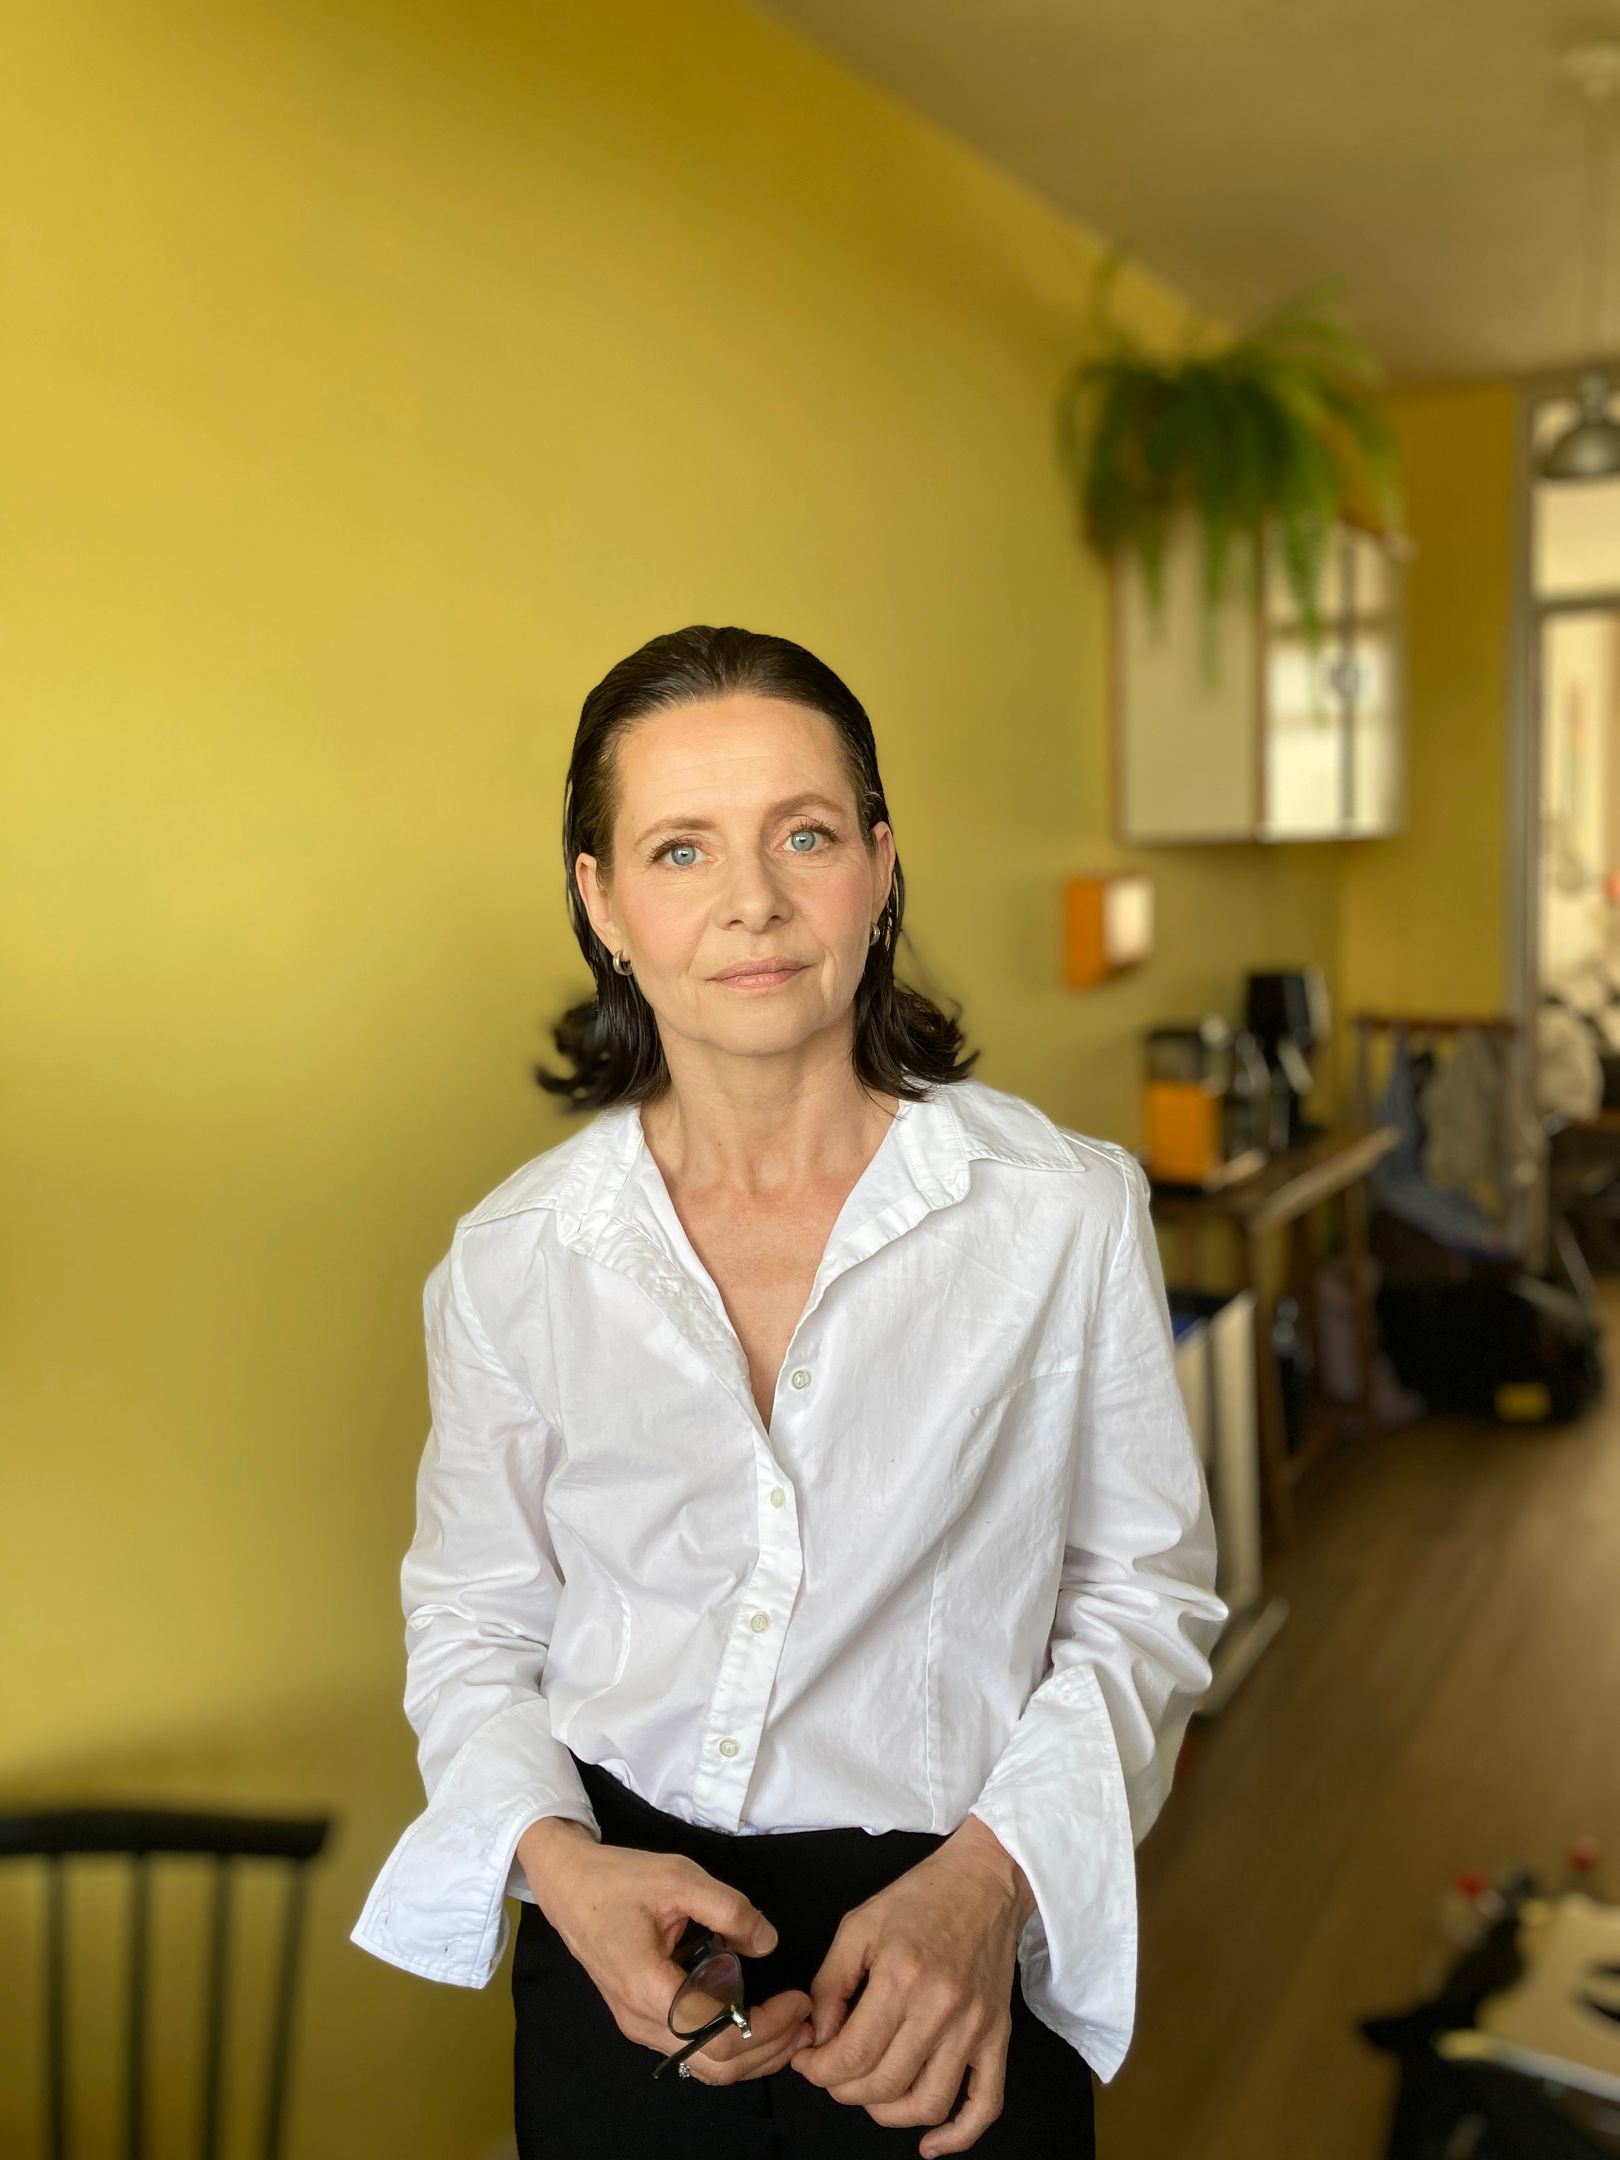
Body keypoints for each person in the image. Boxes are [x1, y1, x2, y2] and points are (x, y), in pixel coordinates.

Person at [350, 624, 1229, 2157]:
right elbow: (478, 1621)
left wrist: (991, 1883)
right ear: (602, 901)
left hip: (950, 1943)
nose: (751, 899)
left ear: (880, 867)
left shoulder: (1059, 1213)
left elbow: (1141, 1597)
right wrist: (558, 1863)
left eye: (804, 836)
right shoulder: (513, 1261)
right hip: (618, 1950)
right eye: (680, 850)